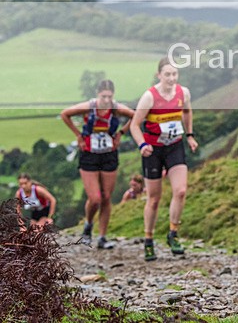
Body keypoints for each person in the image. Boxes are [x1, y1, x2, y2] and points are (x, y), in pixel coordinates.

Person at [129, 57, 198, 261]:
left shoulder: (183, 92)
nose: (171, 78)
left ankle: (173, 234)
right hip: (154, 150)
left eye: (174, 74)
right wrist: (142, 145)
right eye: (167, 74)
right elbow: (135, 125)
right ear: (159, 75)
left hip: (175, 146)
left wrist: (190, 135)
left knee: (181, 190)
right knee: (154, 198)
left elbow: (187, 112)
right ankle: (149, 240)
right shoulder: (149, 97)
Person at [61, 79, 134, 249]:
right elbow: (65, 114)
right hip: (89, 154)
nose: (107, 100)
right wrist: (78, 135)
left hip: (109, 154)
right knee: (95, 198)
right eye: (103, 96)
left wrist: (121, 133)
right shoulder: (89, 106)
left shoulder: (116, 108)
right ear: (97, 94)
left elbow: (136, 115)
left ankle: (102, 237)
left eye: (109, 96)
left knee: (106, 197)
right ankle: (88, 225)